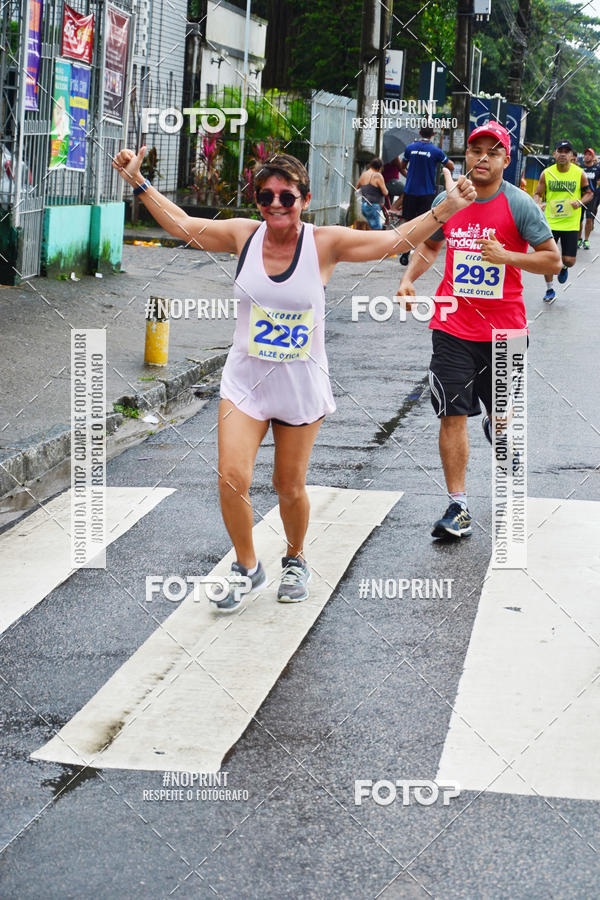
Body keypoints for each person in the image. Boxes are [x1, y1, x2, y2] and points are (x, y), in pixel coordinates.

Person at [113, 147, 477, 603]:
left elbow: (396, 242)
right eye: (266, 197)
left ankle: (296, 557)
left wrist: (445, 209)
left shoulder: (323, 243)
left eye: (287, 197)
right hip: (245, 381)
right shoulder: (243, 236)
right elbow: (185, 226)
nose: (275, 205)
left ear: (304, 200)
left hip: (299, 386)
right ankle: (247, 566)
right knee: (231, 476)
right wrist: (139, 183)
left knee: (288, 486)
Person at [396, 121, 561, 539]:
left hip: (505, 331)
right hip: (452, 326)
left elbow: (552, 261)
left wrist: (506, 255)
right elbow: (432, 244)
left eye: (493, 152)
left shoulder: (520, 205)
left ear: (507, 159)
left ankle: (496, 423)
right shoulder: (448, 201)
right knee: (451, 415)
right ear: (465, 156)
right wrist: (409, 279)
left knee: (502, 420)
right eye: (476, 151)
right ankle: (459, 506)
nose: (482, 158)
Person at [534, 139, 593, 302]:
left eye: (566, 151)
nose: (562, 154)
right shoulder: (546, 173)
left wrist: (579, 202)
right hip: (550, 222)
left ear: (572, 156)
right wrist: (538, 204)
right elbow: (538, 193)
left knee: (569, 260)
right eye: (560, 151)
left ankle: (564, 266)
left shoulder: (579, 173)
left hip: (570, 223)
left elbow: (589, 193)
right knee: (547, 258)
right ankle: (549, 289)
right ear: (554, 154)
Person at [398, 125, 454, 265]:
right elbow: (451, 166)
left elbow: (402, 166)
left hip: (410, 191)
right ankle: (419, 254)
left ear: (419, 132)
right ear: (433, 134)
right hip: (427, 192)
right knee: (424, 224)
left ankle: (405, 252)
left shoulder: (410, 148)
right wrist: (442, 170)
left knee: (409, 222)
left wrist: (409, 176)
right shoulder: (436, 151)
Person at [356, 158, 388, 229]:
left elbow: (357, 188)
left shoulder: (363, 175)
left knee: (370, 227)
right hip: (373, 206)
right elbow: (385, 192)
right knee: (376, 229)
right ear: (379, 167)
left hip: (364, 206)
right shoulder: (377, 175)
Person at [578, 147, 600, 250]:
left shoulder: (597, 168)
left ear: (593, 157)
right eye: (585, 154)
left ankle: (586, 240)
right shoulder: (580, 168)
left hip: (592, 198)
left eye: (589, 154)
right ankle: (579, 239)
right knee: (579, 220)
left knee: (589, 219)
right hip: (580, 197)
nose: (587, 156)